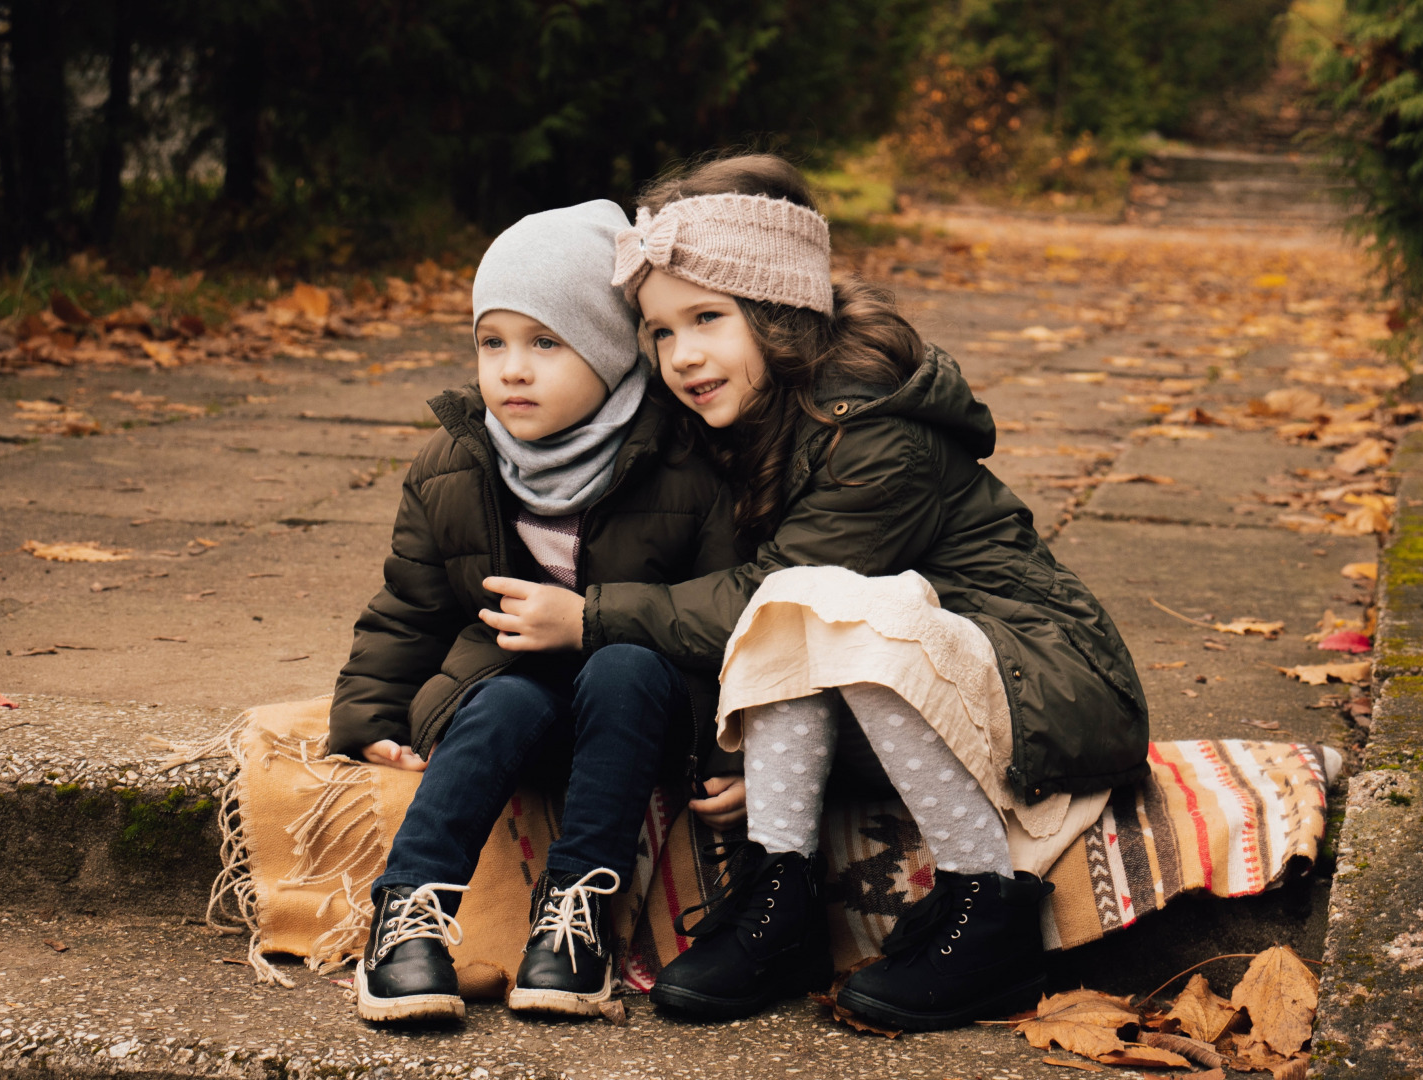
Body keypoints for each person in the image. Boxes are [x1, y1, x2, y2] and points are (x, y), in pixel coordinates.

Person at [477, 155, 1150, 1032]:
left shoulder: (875, 433)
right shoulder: (748, 412)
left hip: (1046, 680)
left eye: (707, 319)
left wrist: (591, 616)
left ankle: (987, 913)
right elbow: (750, 616)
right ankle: (780, 902)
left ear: (780, 312)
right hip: (903, 680)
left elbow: (765, 594)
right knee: (804, 620)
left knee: (813, 604)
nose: (683, 356)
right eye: (661, 332)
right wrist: (735, 749)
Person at [326, 200, 738, 1023]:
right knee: (506, 694)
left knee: (624, 665)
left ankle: (573, 926)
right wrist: (368, 712)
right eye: (493, 342)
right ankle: (407, 919)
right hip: (518, 705)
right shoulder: (455, 462)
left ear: (614, 349)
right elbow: (410, 605)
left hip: (641, 715)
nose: (512, 369)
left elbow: (732, 617)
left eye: (546, 343)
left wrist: (739, 741)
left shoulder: (686, 461)